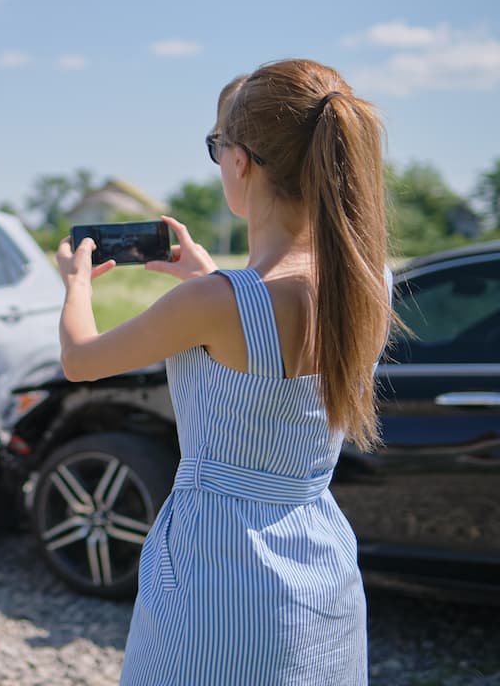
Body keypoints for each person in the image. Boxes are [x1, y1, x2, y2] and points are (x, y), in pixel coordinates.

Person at [56, 59, 394, 685]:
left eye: (218, 147)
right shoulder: (370, 284)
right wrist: (210, 278)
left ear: (241, 161)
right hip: (319, 563)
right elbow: (265, 310)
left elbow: (80, 359)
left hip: (220, 570)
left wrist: (76, 284)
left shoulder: (215, 304)